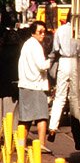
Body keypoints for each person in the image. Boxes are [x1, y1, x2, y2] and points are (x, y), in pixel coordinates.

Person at [17, 20, 51, 152]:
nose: (43, 35)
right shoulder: (35, 46)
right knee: (42, 117)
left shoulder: (27, 45)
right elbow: (42, 66)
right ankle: (41, 145)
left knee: (25, 118)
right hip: (36, 85)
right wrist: (52, 60)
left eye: (44, 32)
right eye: (40, 32)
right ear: (33, 33)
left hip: (25, 84)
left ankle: (21, 144)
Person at [48, 10, 73, 142]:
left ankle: (52, 128)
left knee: (60, 97)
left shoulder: (61, 30)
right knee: (76, 98)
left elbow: (55, 49)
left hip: (64, 62)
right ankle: (75, 126)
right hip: (77, 62)